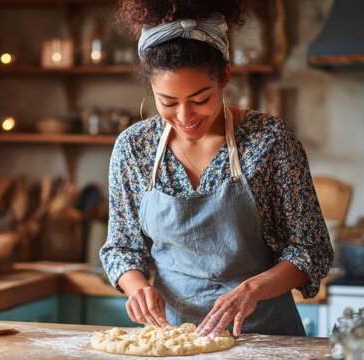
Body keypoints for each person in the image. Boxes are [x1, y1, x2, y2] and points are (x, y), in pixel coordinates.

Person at [100, 0, 333, 338]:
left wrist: (252, 290)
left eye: (200, 99)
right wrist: (137, 286)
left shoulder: (269, 140)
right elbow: (122, 247)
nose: (185, 117)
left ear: (224, 77)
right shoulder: (134, 147)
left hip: (264, 335)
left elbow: (311, 248)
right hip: (175, 337)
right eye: (167, 102)